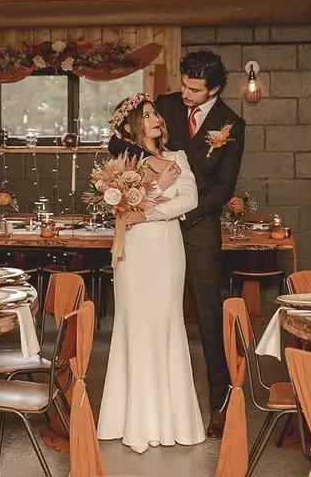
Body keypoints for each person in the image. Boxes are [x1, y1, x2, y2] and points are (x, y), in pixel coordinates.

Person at [107, 51, 245, 439]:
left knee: (207, 316)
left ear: (214, 89)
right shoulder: (163, 105)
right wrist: (154, 173)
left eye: (194, 89)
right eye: (183, 84)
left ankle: (219, 403)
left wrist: (179, 208)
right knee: (147, 316)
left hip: (198, 227)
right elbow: (122, 142)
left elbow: (224, 185)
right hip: (147, 232)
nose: (184, 93)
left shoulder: (232, 124)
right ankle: (141, 405)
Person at [97, 94, 206, 454]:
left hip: (167, 249)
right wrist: (158, 190)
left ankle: (174, 421)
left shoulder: (178, 158)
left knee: (166, 324)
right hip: (135, 253)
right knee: (135, 326)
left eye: (155, 113)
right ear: (133, 125)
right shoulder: (124, 162)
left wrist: (150, 213)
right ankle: (128, 420)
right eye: (147, 115)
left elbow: (189, 200)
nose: (156, 118)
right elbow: (124, 206)